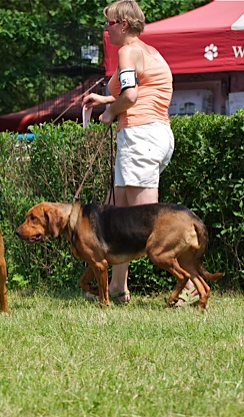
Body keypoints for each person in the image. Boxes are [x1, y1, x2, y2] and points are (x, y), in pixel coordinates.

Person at [82, 0, 197, 306]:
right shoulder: (150, 52)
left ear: (123, 24)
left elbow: (131, 97)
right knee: (114, 218)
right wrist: (106, 100)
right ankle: (117, 290)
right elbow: (139, 92)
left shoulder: (127, 51)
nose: (106, 30)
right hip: (154, 135)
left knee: (154, 223)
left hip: (140, 136)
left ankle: (193, 286)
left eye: (108, 23)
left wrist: (109, 114)